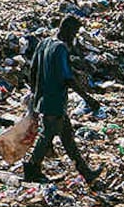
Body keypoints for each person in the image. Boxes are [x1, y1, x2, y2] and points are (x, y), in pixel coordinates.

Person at [23, 15, 102, 188]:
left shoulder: (44, 43)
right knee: (47, 135)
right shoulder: (60, 48)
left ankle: (86, 172)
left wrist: (35, 94)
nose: (74, 37)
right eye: (73, 33)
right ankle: (32, 168)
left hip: (44, 99)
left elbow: (33, 69)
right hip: (55, 101)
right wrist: (88, 99)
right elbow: (68, 79)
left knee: (68, 138)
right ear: (66, 29)